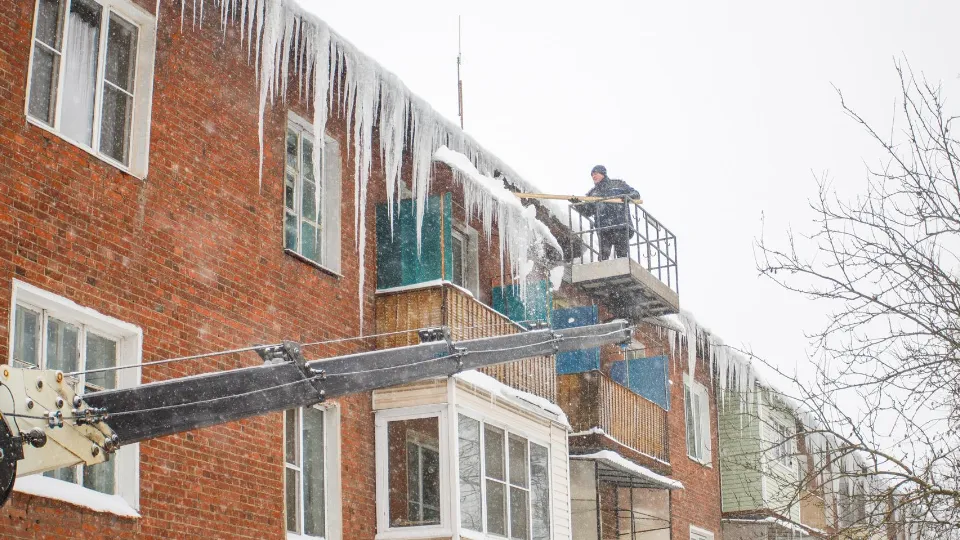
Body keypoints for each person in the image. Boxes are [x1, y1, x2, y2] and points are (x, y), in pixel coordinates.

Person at [575, 165, 640, 260]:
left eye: (595, 173)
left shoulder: (618, 185)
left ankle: (622, 267)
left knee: (622, 254)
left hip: (621, 226)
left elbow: (636, 194)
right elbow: (587, 211)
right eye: (592, 175)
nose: (593, 176)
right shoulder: (593, 193)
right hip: (604, 229)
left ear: (603, 173)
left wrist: (628, 197)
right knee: (603, 256)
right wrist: (578, 205)